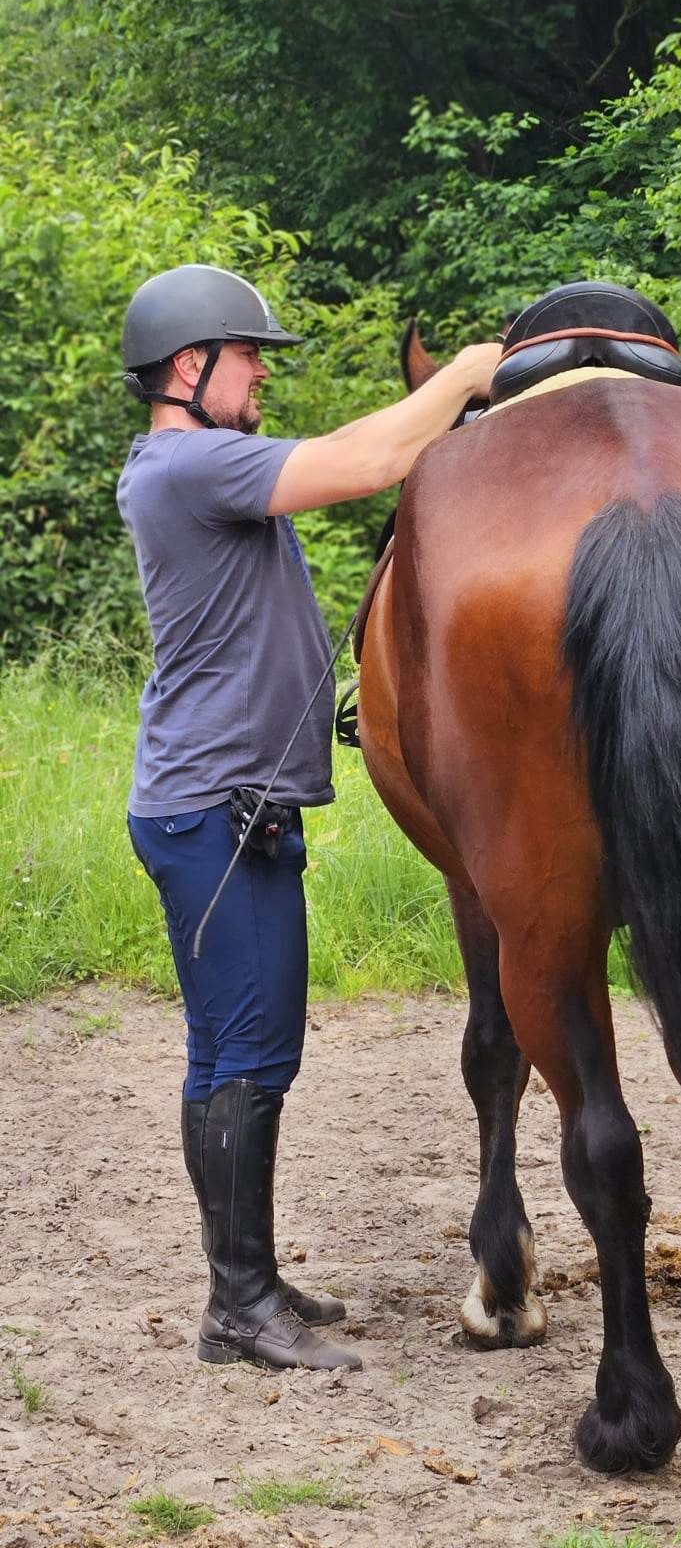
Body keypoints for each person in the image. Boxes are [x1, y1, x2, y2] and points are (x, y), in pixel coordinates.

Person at [117, 263, 501, 1375]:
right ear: (189, 368)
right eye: (249, 358)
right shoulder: (189, 463)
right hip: (211, 817)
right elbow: (376, 456)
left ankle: (250, 1279)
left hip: (229, 809)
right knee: (248, 1056)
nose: (262, 377)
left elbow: (364, 443)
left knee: (233, 1054)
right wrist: (473, 371)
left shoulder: (193, 461)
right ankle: (238, 1307)